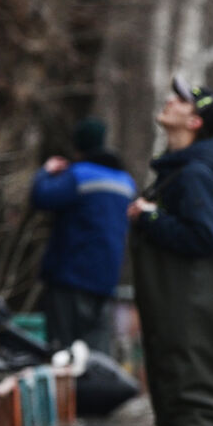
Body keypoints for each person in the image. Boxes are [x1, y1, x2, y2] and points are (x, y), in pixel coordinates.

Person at [127, 76, 213, 426]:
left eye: (182, 101)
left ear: (195, 123)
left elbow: (205, 237)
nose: (169, 101)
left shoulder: (194, 175)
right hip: (175, 320)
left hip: (188, 322)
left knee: (192, 414)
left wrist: (151, 218)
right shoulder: (178, 173)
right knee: (175, 416)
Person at [29, 117, 136, 354]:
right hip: (107, 281)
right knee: (97, 358)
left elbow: (41, 197)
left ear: (78, 146)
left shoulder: (78, 175)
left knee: (63, 356)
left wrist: (45, 173)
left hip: (70, 278)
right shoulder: (126, 182)